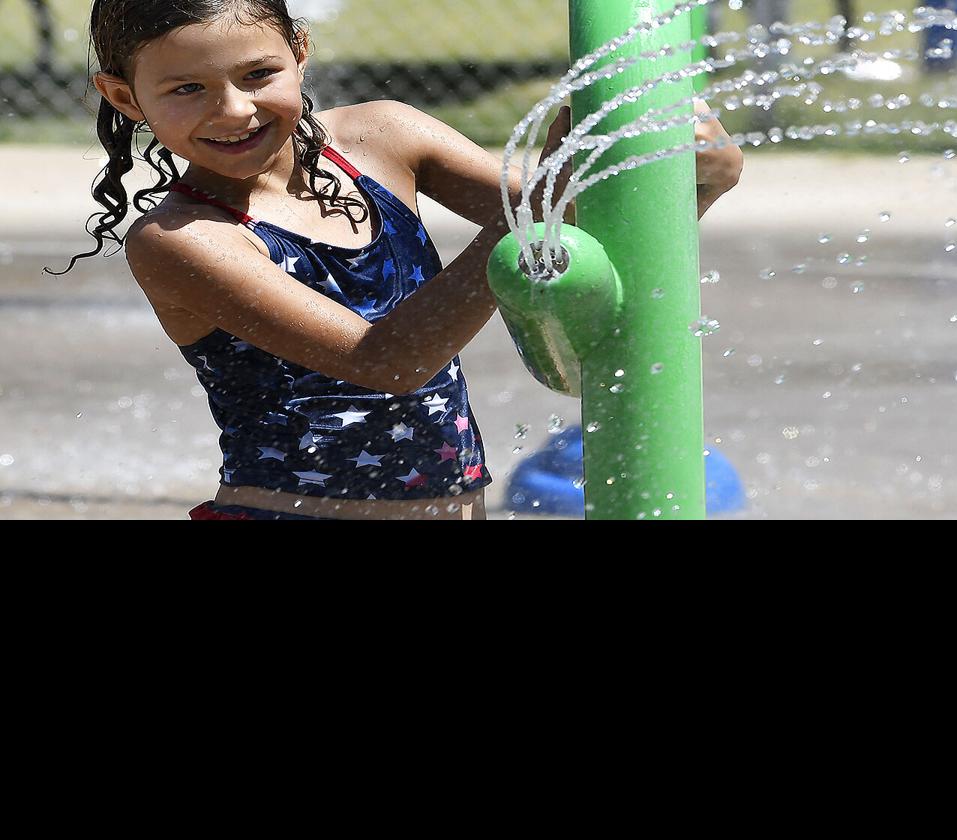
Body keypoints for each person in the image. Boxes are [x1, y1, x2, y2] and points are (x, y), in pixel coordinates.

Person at [53, 0, 744, 520]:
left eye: (258, 73)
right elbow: (386, 361)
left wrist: (693, 180)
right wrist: (545, 201)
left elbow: (573, 233)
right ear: (124, 97)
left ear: (299, 50)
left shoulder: (384, 137)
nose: (234, 110)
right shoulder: (181, 239)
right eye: (186, 89)